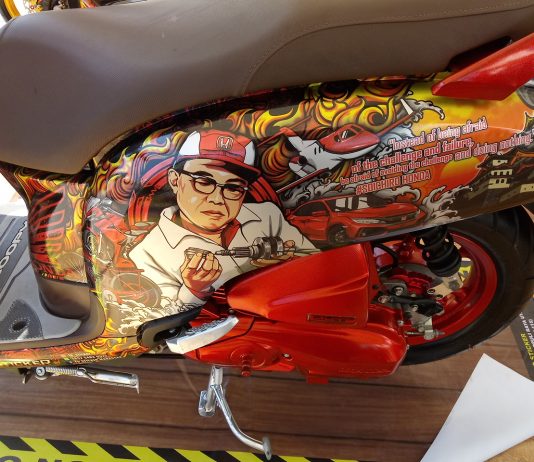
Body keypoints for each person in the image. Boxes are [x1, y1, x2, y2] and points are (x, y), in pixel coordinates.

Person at [129, 129, 315, 312]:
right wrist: (194, 291)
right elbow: (164, 318)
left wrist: (290, 263)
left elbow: (316, 267)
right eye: (203, 182)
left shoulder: (268, 216)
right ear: (175, 180)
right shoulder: (146, 255)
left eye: (233, 188)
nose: (217, 199)